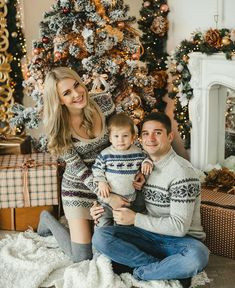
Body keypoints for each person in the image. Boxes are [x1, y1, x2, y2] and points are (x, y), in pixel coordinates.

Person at [92, 112, 209, 287]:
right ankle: (163, 267)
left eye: (158, 133)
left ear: (170, 136)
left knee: (197, 257)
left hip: (181, 242)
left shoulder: (182, 172)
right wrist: (101, 206)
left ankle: (141, 270)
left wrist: (135, 219)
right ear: (139, 138)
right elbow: (117, 190)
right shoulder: (141, 165)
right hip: (149, 236)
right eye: (146, 133)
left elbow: (179, 227)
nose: (150, 138)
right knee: (101, 237)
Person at [37, 67, 130, 263]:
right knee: (82, 257)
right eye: (66, 93)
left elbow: (123, 137)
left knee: (111, 248)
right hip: (78, 186)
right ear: (59, 100)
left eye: (76, 85)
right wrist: (108, 197)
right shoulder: (59, 128)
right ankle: (48, 219)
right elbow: (79, 169)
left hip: (110, 180)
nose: (77, 94)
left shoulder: (104, 103)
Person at [92, 112, 153, 227]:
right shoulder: (105, 154)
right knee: (102, 226)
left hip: (128, 201)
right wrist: (101, 181)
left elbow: (147, 158)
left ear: (132, 137)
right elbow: (96, 169)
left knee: (121, 228)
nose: (120, 140)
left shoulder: (138, 153)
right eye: (116, 136)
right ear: (110, 138)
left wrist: (147, 162)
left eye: (125, 136)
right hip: (107, 201)